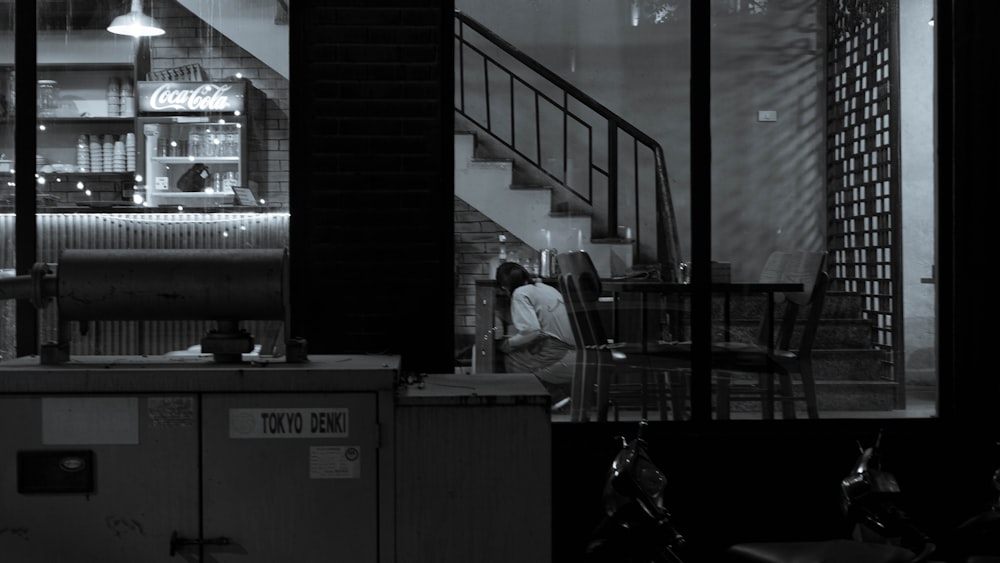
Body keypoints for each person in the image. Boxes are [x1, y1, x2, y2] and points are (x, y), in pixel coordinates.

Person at [495, 261, 577, 410]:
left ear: (505, 286)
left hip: (559, 350)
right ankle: (558, 397)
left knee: (513, 359)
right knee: (528, 352)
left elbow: (531, 330)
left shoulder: (519, 294)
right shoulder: (545, 288)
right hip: (575, 346)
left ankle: (554, 399)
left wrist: (510, 343)